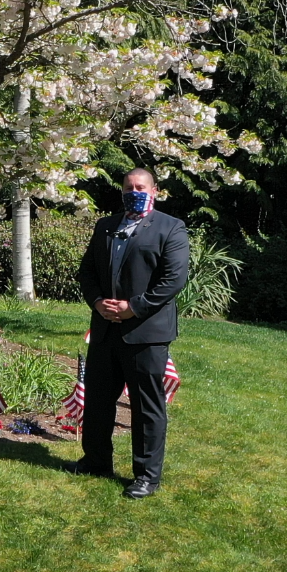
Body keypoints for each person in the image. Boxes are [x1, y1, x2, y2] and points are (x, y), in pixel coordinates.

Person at [69, 168, 189, 499]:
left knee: (146, 406)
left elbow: (173, 280)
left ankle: (147, 476)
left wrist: (133, 307)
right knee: (97, 402)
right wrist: (97, 302)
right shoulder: (106, 226)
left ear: (155, 190)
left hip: (146, 334)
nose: (133, 191)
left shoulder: (171, 228)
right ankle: (96, 461)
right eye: (128, 187)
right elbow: (87, 272)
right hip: (105, 330)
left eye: (140, 187)